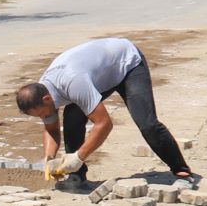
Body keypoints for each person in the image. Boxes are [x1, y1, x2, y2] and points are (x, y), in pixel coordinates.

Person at [13, 38, 196, 193]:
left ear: (46, 99)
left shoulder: (73, 83)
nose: (45, 117)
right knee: (72, 118)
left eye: (43, 113)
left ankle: (182, 172)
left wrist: (77, 157)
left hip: (127, 63)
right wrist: (49, 158)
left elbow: (104, 124)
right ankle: (77, 177)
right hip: (101, 72)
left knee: (147, 123)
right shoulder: (45, 92)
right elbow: (51, 129)